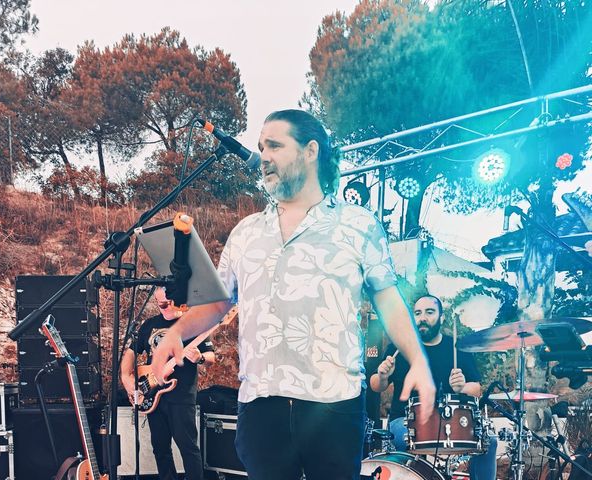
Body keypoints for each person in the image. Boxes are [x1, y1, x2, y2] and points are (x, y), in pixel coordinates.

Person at [151, 109, 435, 480]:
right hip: (260, 404)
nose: (264, 156)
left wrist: (418, 360)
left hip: (333, 405)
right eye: (260, 147)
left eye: (275, 145)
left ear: (310, 150)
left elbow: (387, 298)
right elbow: (220, 303)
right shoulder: (246, 232)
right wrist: (176, 332)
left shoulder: (357, 225)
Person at [370, 294, 497, 480]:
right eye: (418, 313)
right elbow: (376, 386)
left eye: (429, 312)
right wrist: (382, 375)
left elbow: (476, 389)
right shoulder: (399, 347)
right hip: (405, 421)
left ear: (441, 317)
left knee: (489, 441)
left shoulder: (456, 347)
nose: (423, 317)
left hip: (450, 422)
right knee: (403, 439)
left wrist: (462, 387)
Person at [121, 287, 215, 480]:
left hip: (181, 396)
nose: (167, 307)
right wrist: (126, 377)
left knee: (188, 448)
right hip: (152, 393)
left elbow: (211, 357)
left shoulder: (194, 323)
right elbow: (131, 351)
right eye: (162, 304)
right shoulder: (150, 324)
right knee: (160, 448)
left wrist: (198, 358)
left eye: (170, 302)